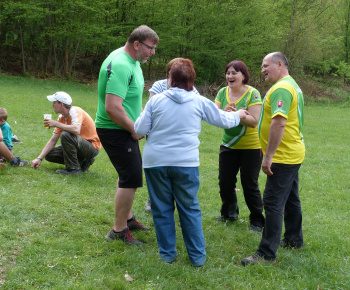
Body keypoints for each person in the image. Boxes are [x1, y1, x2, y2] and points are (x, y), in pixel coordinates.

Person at [134, 58, 249, 267]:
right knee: (189, 208)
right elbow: (223, 119)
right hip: (185, 163)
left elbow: (140, 129)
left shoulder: (155, 101)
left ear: (170, 79)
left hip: (156, 162)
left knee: (161, 209)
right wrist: (239, 115)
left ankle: (167, 255)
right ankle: (197, 257)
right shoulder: (199, 101)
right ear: (191, 79)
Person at [95, 25, 159, 246]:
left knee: (128, 175)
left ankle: (128, 219)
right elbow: (112, 107)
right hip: (115, 129)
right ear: (137, 44)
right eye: (151, 48)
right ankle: (119, 230)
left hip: (125, 128)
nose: (152, 53)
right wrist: (133, 128)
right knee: (131, 177)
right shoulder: (122, 64)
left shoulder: (132, 61)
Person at [241, 52, 305, 266]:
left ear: (280, 64)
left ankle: (267, 253)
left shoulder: (282, 89)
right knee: (291, 198)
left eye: (265, 65)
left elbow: (279, 123)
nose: (262, 69)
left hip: (283, 156)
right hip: (292, 152)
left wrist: (268, 157)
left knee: (272, 202)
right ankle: (294, 239)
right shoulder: (291, 84)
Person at [144, 58, 200, 212]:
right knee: (158, 169)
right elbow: (150, 108)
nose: (171, 77)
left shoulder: (191, 89)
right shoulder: (159, 85)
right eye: (169, 72)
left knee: (177, 172)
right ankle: (153, 198)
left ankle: (181, 203)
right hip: (157, 132)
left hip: (180, 135)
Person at [214, 60, 265, 232]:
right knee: (225, 182)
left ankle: (257, 220)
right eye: (228, 72)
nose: (230, 76)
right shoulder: (222, 92)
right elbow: (215, 116)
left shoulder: (253, 93)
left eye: (234, 72)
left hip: (251, 147)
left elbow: (253, 122)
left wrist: (237, 115)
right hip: (228, 145)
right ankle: (229, 213)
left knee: (249, 184)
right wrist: (225, 113)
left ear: (243, 75)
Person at [31, 91, 101, 175]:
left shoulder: (75, 111)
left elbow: (76, 130)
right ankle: (83, 162)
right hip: (79, 145)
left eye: (54, 103)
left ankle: (74, 170)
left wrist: (56, 124)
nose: (52, 105)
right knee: (49, 154)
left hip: (92, 147)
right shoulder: (62, 117)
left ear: (61, 104)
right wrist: (39, 158)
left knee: (66, 134)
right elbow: (53, 140)